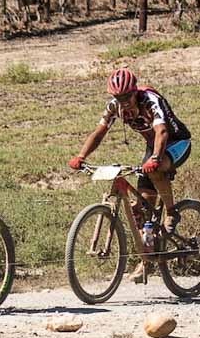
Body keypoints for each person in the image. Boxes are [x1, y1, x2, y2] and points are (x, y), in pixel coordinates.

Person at [68, 66, 192, 230]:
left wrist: (155, 158)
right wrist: (81, 156)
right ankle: (152, 244)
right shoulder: (114, 107)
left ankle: (171, 212)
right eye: (119, 97)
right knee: (142, 206)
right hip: (153, 146)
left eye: (128, 95)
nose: (124, 101)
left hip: (176, 142)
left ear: (135, 91)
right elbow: (99, 133)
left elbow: (161, 131)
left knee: (155, 169)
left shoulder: (149, 100)